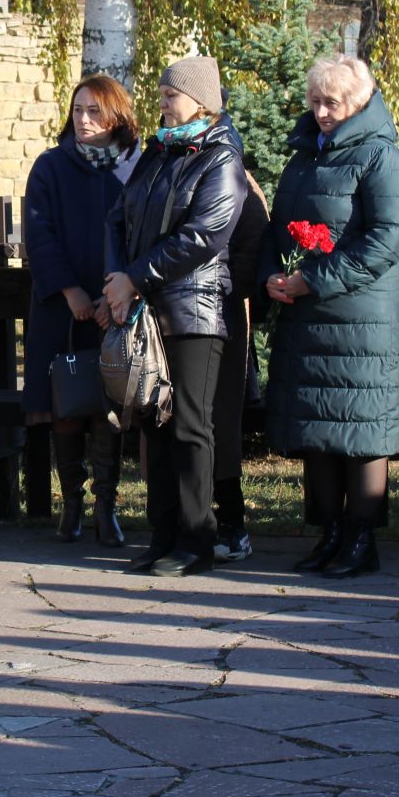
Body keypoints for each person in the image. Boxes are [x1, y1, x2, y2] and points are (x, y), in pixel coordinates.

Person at [258, 54, 399, 580]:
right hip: (308, 311)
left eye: (334, 102)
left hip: (360, 316)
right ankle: (329, 533)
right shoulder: (306, 156)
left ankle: (361, 536)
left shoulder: (379, 156)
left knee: (362, 427)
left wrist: (316, 279)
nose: (323, 112)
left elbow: (387, 239)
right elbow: (278, 225)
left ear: (361, 101)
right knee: (318, 424)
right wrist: (274, 276)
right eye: (316, 101)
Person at [106, 57, 250, 575]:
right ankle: (163, 536)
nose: (162, 103)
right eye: (162, 93)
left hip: (194, 310)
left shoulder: (220, 157)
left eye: (171, 95)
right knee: (154, 423)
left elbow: (203, 235)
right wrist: (114, 280)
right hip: (145, 308)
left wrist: (134, 278)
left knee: (190, 424)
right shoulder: (159, 154)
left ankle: (197, 540)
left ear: (202, 102)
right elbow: (117, 217)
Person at [24, 74, 139, 548]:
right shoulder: (51, 166)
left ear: (116, 116)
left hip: (119, 304)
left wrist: (120, 294)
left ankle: (105, 508)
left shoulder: (136, 167)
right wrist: (70, 291)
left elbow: (144, 233)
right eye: (78, 111)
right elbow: (39, 232)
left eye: (95, 111)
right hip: (61, 308)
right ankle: (71, 505)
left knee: (108, 407)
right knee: (66, 402)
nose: (85, 120)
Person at [213, 169, 270, 562]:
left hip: (222, 310)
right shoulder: (162, 160)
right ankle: (181, 518)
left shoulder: (237, 177)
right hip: (169, 310)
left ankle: (231, 520)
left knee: (221, 424)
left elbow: (253, 245)